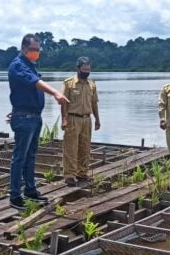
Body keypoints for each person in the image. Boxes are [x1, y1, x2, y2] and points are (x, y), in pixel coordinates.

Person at [7, 34, 69, 210]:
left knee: (31, 156)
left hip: (34, 115)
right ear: (24, 49)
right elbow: (35, 83)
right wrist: (56, 93)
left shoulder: (30, 65)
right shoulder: (18, 65)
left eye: (38, 49)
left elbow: (22, 91)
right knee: (19, 157)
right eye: (34, 49)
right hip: (24, 118)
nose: (37, 52)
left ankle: (30, 190)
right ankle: (15, 195)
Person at [61, 57, 101, 186]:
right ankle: (69, 175)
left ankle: (82, 173)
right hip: (73, 118)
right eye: (84, 69)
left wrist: (97, 119)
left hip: (86, 119)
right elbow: (64, 104)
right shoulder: (69, 83)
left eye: (88, 69)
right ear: (78, 69)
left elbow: (94, 103)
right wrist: (64, 119)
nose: (86, 72)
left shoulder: (92, 84)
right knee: (71, 148)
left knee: (85, 147)